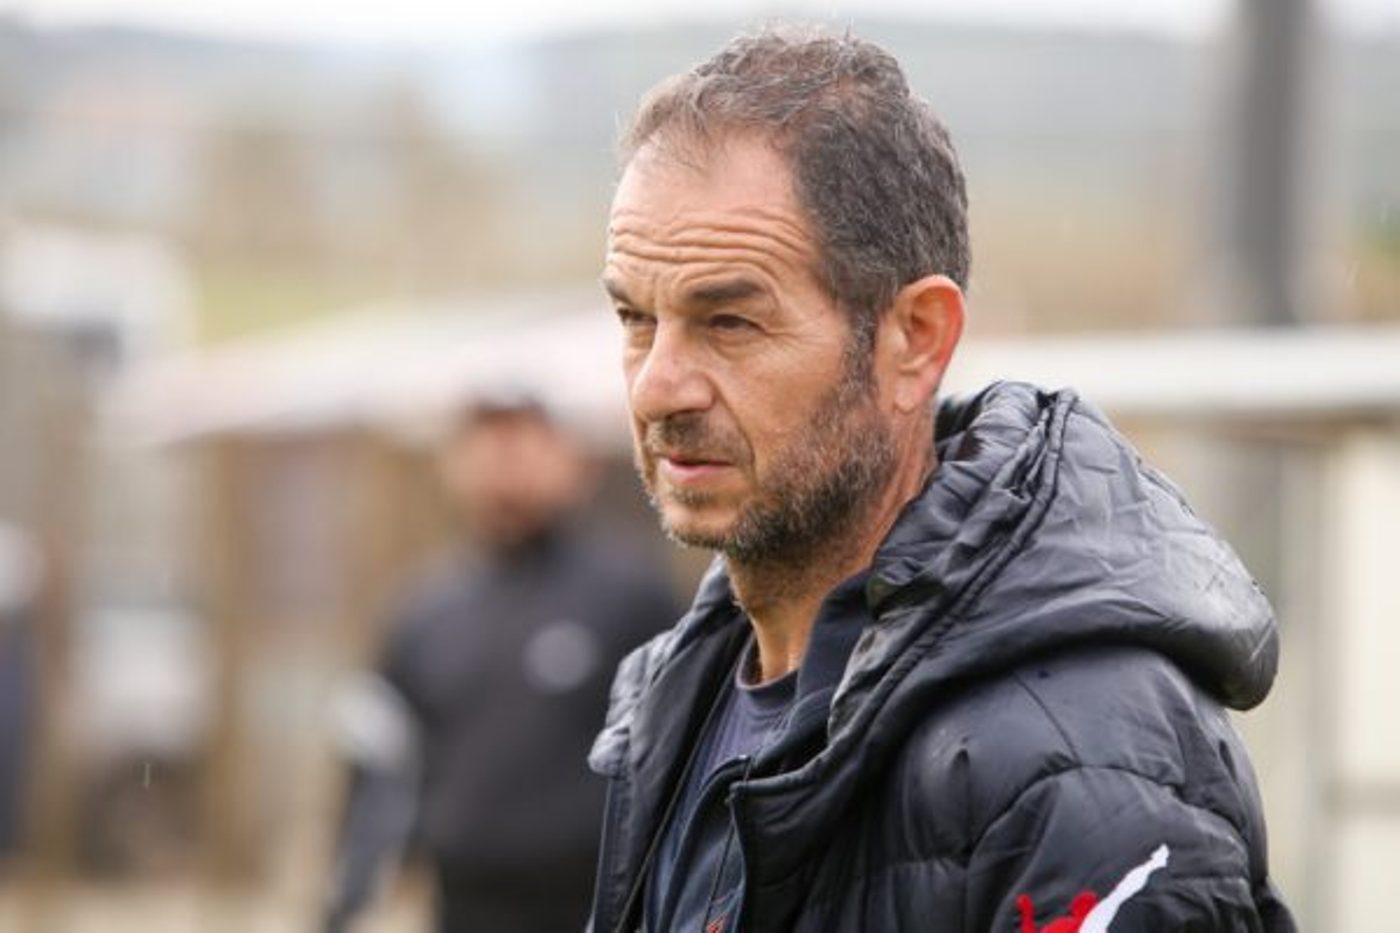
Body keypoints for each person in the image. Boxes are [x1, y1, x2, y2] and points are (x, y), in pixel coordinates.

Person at [589, 26, 1296, 933]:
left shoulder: (1080, 764)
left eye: (729, 322)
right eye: (635, 318)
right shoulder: (674, 700)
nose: (657, 387)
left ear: (915, 339)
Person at [323, 396, 678, 933]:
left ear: (572, 460)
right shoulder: (423, 613)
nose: (505, 461)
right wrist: (346, 899)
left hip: (597, 905)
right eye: (487, 441)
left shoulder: (632, 596)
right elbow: (379, 764)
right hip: (464, 907)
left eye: (525, 439)